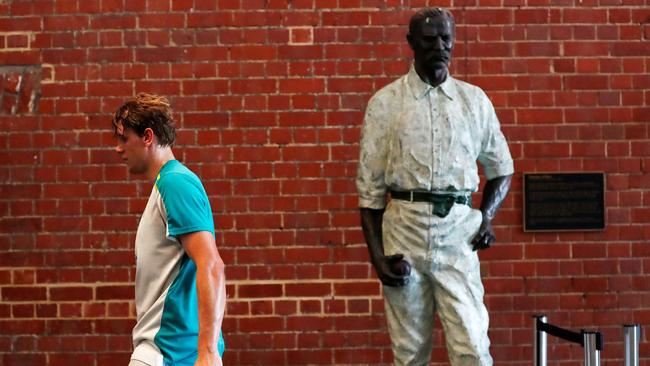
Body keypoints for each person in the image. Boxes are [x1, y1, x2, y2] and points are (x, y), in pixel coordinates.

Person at [356, 7, 514, 366]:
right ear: (412, 43)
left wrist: (486, 216)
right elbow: (369, 193)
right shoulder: (386, 104)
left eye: (446, 38)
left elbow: (502, 168)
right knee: (409, 353)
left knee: (472, 347)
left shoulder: (473, 102)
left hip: (459, 233)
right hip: (404, 232)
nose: (439, 46)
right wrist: (378, 258)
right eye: (429, 39)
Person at [111, 93, 226, 366]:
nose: (118, 148)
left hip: (166, 354)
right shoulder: (167, 185)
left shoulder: (175, 183)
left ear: (148, 136)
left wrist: (208, 352)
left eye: (123, 138)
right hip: (164, 352)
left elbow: (211, 265)